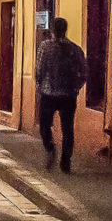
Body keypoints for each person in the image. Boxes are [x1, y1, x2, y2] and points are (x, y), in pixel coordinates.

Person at [35, 16, 87, 173]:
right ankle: (66, 160)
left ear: (52, 29)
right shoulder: (75, 49)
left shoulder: (45, 47)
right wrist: (76, 88)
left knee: (44, 126)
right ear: (65, 30)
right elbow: (84, 72)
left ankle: (50, 148)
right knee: (68, 130)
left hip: (48, 94)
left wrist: (39, 86)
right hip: (68, 96)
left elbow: (39, 70)